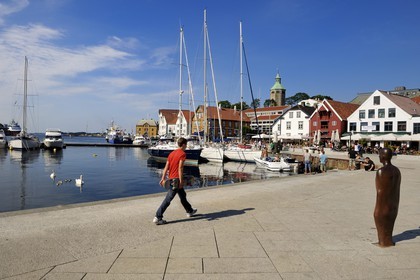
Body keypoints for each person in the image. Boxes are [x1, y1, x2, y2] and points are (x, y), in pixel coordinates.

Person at [153, 137, 197, 225]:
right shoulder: (182, 154)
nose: (186, 146)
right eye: (186, 144)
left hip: (170, 178)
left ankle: (189, 211)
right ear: (183, 144)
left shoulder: (172, 153)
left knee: (183, 195)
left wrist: (162, 178)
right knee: (168, 199)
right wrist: (181, 181)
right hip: (176, 180)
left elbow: (166, 167)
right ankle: (158, 217)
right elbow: (180, 168)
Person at [374, 148, 401, 247]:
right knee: (390, 222)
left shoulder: (381, 171)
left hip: (382, 204)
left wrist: (377, 208)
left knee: (380, 220)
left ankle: (383, 242)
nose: (379, 157)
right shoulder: (397, 171)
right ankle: (388, 241)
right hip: (394, 204)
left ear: (383, 156)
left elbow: (379, 191)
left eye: (380, 155)